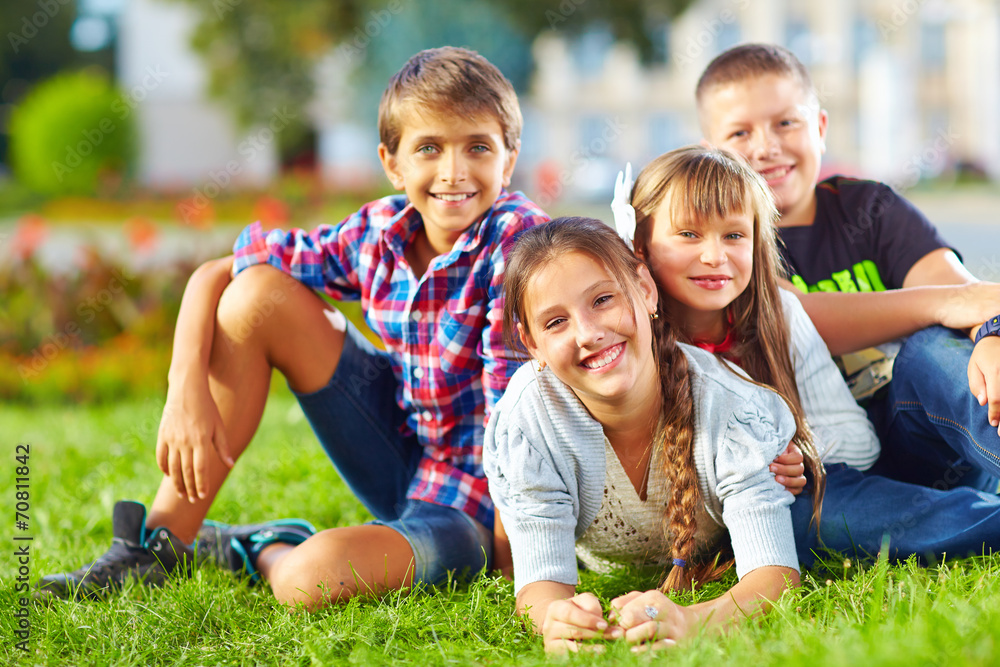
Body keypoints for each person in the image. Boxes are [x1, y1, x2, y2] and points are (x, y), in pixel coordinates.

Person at [37, 46, 548, 609]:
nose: (453, 172)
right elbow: (223, 269)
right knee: (256, 294)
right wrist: (184, 393)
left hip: (473, 510)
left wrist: (516, 572)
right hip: (403, 454)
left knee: (308, 579)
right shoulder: (380, 231)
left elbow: (517, 429)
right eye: (429, 148)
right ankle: (158, 545)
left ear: (508, 158)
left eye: (477, 147)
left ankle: (256, 548)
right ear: (393, 162)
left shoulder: (520, 246)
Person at [623, 145, 1000, 610]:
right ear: (640, 246)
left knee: (929, 350)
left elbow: (861, 446)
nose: (714, 255)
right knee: (803, 515)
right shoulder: (631, 340)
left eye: (734, 235)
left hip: (875, 472)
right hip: (796, 509)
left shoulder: (781, 313)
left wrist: (802, 453)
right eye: (688, 234)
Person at [485, 216, 825, 652]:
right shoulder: (529, 420)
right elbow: (539, 585)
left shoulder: (730, 410)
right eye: (556, 323)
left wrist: (693, 621)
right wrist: (556, 619)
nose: (588, 334)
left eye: (602, 299)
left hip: (720, 546)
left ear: (644, 288)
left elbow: (773, 575)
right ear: (531, 344)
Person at [694, 43, 1000, 493]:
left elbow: (966, 297)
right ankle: (982, 520)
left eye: (786, 122)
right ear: (710, 155)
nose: (766, 147)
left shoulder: (869, 208)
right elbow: (796, 318)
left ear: (819, 127)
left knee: (931, 349)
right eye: (739, 134)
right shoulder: (721, 247)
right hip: (822, 468)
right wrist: (947, 304)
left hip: (925, 436)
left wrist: (990, 333)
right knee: (817, 518)